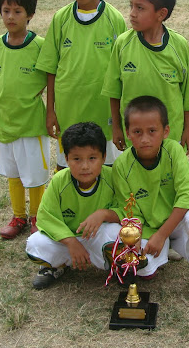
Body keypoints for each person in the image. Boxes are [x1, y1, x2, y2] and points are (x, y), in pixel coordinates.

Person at [111, 96, 189, 306]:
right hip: (149, 227)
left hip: (177, 220)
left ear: (165, 131)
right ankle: (163, 253)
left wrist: (163, 235)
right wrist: (139, 237)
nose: (145, 138)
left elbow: (188, 195)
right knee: (144, 271)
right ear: (128, 134)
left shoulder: (173, 151)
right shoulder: (121, 165)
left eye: (152, 131)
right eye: (137, 132)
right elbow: (130, 210)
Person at [36, 0, 127, 171]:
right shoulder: (61, 19)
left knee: (108, 173)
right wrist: (51, 111)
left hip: (104, 114)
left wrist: (120, 120)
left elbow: (123, 74)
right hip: (69, 113)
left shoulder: (115, 19)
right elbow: (50, 69)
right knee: (69, 171)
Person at [0, 0, 49, 239]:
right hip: (6, 125)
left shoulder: (41, 46)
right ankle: (18, 215)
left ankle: (38, 217)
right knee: (13, 173)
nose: (10, 17)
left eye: (17, 11)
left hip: (33, 125)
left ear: (30, 14)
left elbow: (52, 80)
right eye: (6, 10)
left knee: (36, 176)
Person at [101, 0, 189, 156]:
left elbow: (187, 96)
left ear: (161, 14)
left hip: (170, 135)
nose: (132, 13)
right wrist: (116, 127)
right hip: (133, 137)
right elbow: (113, 91)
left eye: (140, 8)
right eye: (131, 6)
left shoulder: (179, 45)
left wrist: (187, 129)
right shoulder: (122, 44)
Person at [25, 122, 122, 289]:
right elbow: (45, 216)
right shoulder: (59, 181)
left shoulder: (113, 178)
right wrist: (71, 242)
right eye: (77, 159)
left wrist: (104, 214)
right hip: (66, 241)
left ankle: (115, 267)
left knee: (118, 233)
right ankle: (57, 266)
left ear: (104, 157)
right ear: (67, 158)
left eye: (92, 158)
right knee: (35, 243)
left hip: (96, 239)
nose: (85, 166)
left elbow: (126, 210)